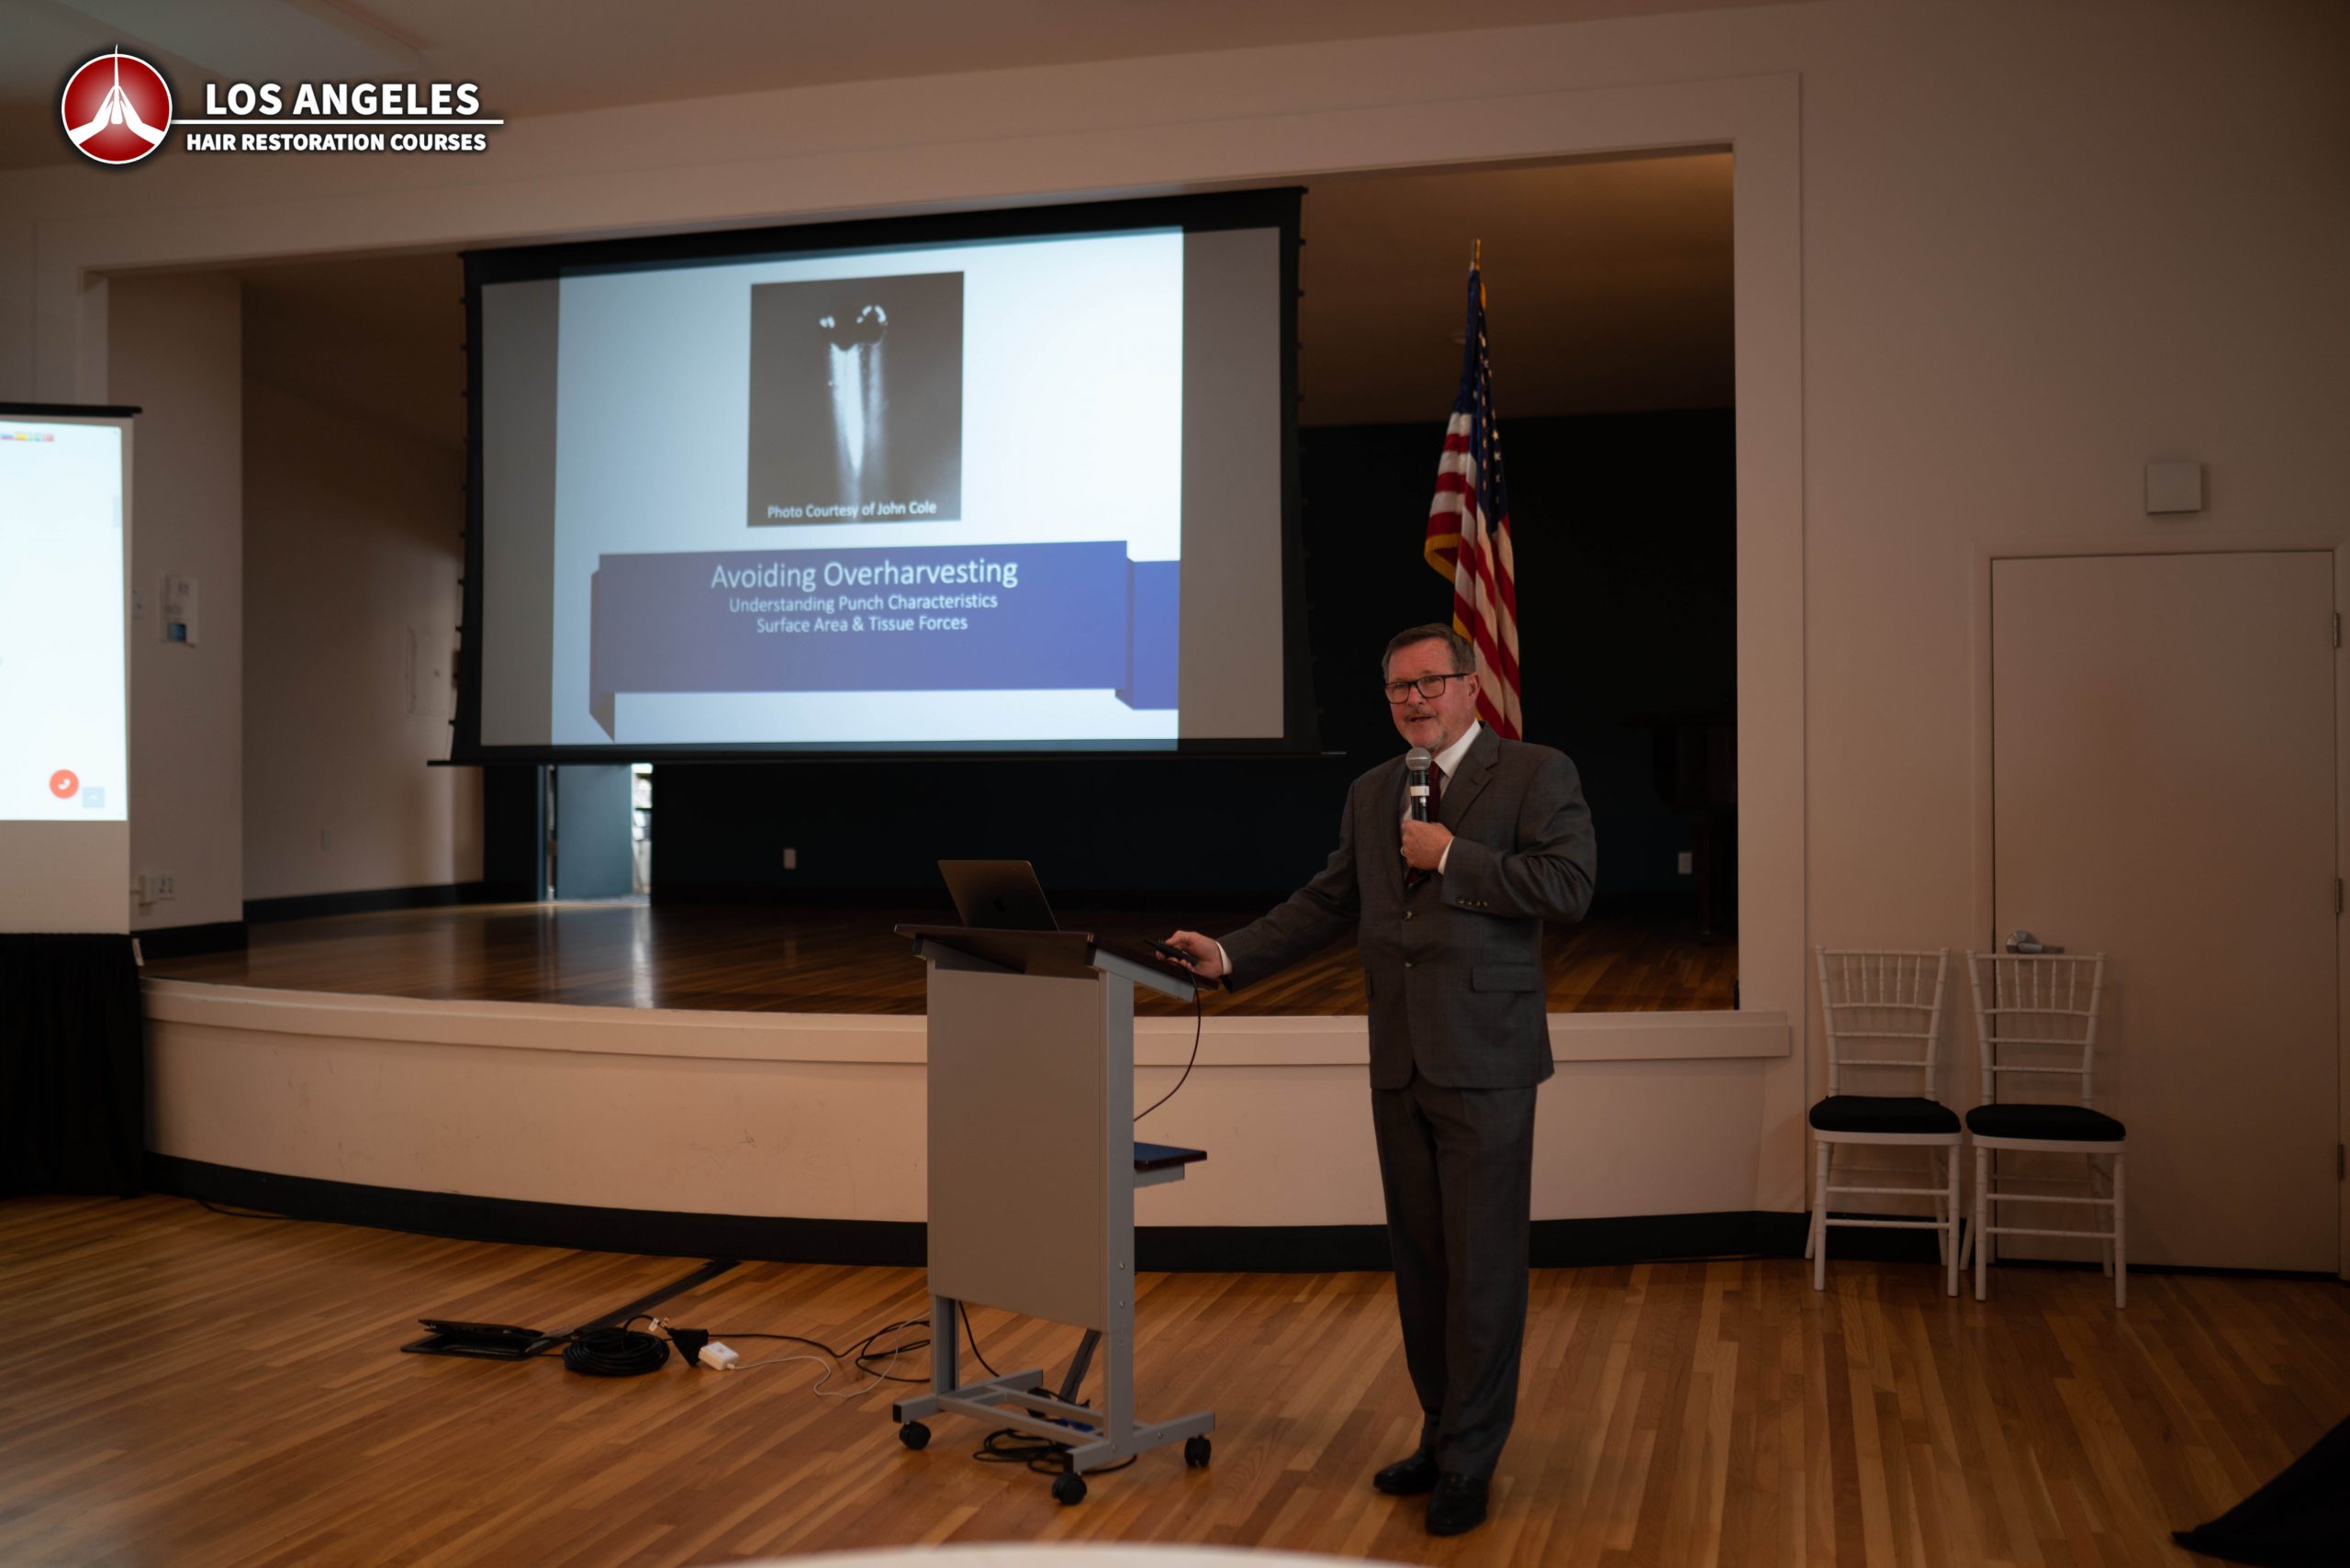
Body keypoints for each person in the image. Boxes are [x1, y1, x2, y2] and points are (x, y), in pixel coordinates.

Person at [1164, 623, 1595, 1537]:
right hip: (1398, 1057)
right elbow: (1330, 900)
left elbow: (1567, 887)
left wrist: (1454, 856)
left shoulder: (1534, 772)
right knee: (1423, 1267)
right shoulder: (1372, 790)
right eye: (1399, 687)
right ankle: (1441, 1435)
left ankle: (1472, 1461)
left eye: (1430, 682)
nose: (1414, 700)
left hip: (1485, 1055)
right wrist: (1229, 954)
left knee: (1482, 1270)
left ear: (1471, 686)